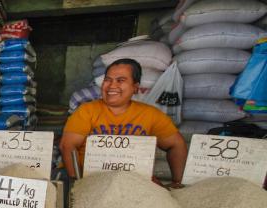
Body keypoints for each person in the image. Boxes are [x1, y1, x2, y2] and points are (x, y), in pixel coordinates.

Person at [59, 58, 188, 187]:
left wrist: (177, 182)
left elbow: (177, 145)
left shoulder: (151, 115)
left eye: (120, 80)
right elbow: (68, 146)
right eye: (108, 80)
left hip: (136, 183)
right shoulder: (87, 111)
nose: (112, 85)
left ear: (135, 87)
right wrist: (76, 183)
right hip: (91, 181)